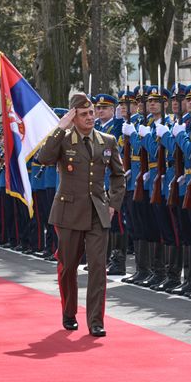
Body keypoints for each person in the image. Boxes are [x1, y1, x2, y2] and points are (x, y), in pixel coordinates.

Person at [39, 93, 125, 337]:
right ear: (73, 117)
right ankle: (69, 312)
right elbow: (43, 158)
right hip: (68, 212)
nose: (90, 117)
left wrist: (113, 203)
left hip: (98, 211)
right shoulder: (64, 140)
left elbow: (119, 175)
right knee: (68, 267)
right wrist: (59, 128)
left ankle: (96, 320)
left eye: (92, 113)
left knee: (98, 267)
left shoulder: (106, 141)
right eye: (84, 114)